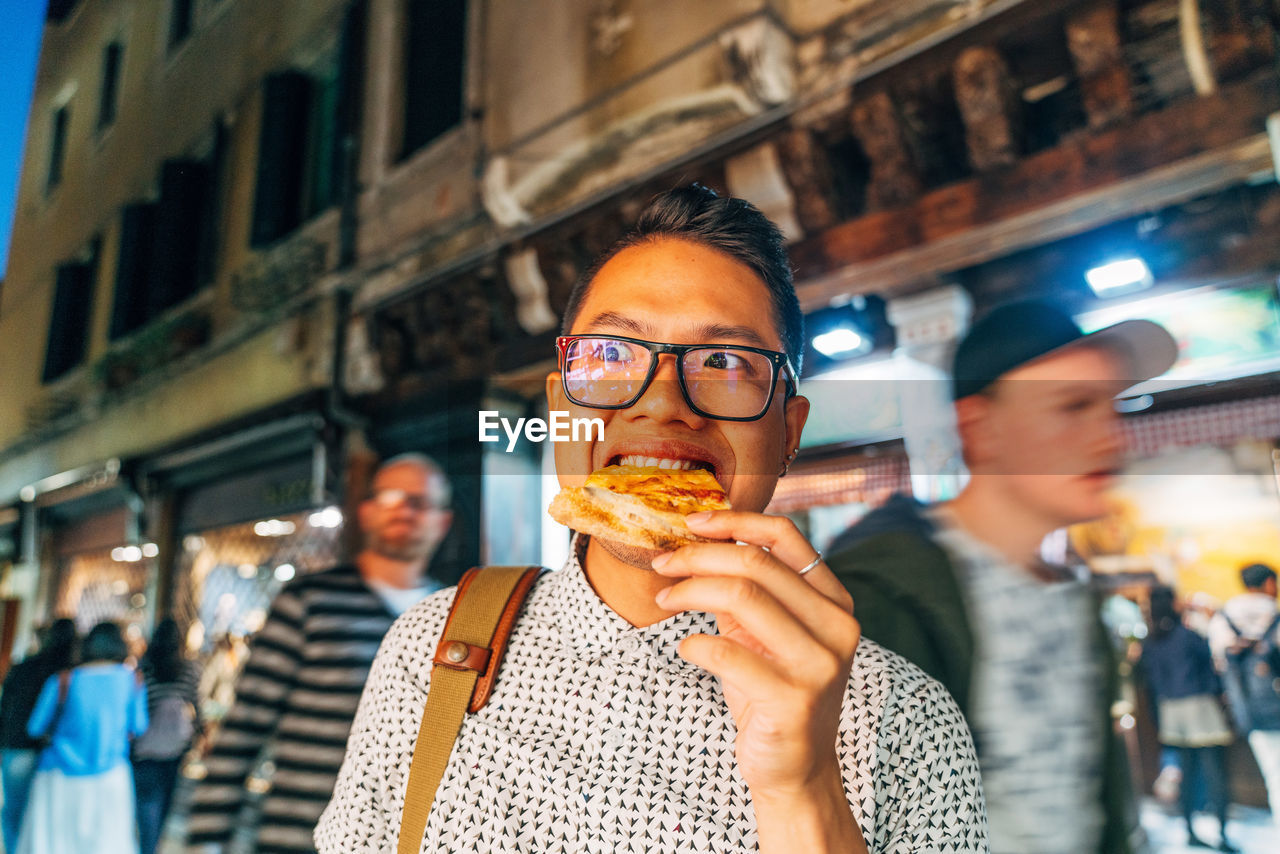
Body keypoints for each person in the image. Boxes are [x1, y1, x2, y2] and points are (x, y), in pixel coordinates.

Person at [317, 185, 987, 853]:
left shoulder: (910, 722)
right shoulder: (431, 653)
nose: (664, 404)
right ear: (559, 410)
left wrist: (804, 791)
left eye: (724, 361)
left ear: (788, 431)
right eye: (611, 355)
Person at [826, 299, 1179, 854]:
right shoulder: (877, 596)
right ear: (980, 428)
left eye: (1112, 407)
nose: (1110, 438)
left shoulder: (1074, 597)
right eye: (1072, 406)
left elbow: (1096, 802)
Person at [185, 454, 453, 854]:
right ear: (365, 512)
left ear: (442, 521)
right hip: (298, 838)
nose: (404, 510)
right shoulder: (307, 601)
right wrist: (205, 841)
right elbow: (244, 727)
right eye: (391, 497)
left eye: (420, 501)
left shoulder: (459, 617)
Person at [18, 620, 148, 854]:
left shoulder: (64, 680)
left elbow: (35, 728)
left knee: (53, 845)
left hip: (58, 777)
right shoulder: (132, 682)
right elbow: (139, 726)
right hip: (111, 778)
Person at [1140, 586, 1235, 851]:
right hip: (1200, 706)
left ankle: (1191, 831)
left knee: (1188, 774)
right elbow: (1211, 670)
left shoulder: (1150, 642)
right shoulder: (1187, 635)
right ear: (1172, 602)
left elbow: (1149, 682)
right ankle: (1223, 835)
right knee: (1216, 774)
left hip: (1170, 711)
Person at [1208, 562, 1280, 824]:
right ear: (1269, 583)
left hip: (1249, 711)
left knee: (1275, 776)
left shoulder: (1222, 620)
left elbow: (1219, 667)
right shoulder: (1275, 614)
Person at [0, 618, 77, 853]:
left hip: (17, 747)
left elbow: (5, 707)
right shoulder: (73, 675)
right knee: (48, 818)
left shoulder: (25, 666)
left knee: (14, 812)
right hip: (55, 754)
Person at [133, 617, 203, 854]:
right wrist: (199, 731)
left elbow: (138, 707)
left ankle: (148, 846)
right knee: (166, 799)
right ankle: (153, 845)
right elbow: (195, 704)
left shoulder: (144, 667)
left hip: (145, 745)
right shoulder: (189, 669)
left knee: (147, 802)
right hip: (175, 745)